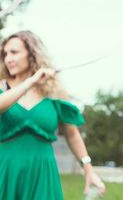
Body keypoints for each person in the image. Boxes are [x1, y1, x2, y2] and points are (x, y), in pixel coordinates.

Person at [0, 30, 106, 199]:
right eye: (5, 54)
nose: (8, 59)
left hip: (43, 172)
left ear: (32, 53)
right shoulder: (2, 87)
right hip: (6, 170)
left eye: (14, 52)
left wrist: (88, 169)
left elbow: (72, 134)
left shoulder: (53, 91)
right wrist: (30, 82)